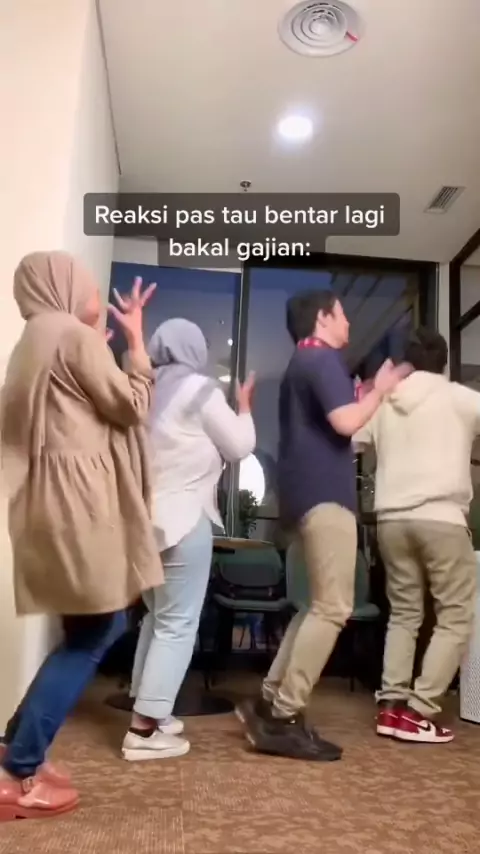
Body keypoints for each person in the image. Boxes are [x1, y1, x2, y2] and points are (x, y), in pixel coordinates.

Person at [0, 252, 163, 821]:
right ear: (61, 287)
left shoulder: (36, 338)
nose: (96, 292)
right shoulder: (72, 336)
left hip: (48, 502)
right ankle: (17, 771)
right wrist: (136, 341)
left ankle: (14, 749)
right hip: (80, 504)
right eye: (88, 283)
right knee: (100, 627)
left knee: (82, 627)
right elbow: (131, 407)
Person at [236, 289, 410, 761]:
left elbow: (331, 424)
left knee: (315, 606)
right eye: (343, 314)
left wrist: (364, 395)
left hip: (304, 497)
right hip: (326, 498)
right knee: (333, 607)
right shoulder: (322, 359)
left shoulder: (303, 363)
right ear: (323, 318)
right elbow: (346, 422)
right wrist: (380, 390)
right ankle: (285, 715)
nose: (349, 323)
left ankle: (270, 701)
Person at [122, 318, 256, 761]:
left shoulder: (146, 390)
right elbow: (239, 447)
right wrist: (244, 407)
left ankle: (150, 711)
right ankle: (144, 731)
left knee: (157, 618)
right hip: (183, 520)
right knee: (177, 624)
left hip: (145, 525)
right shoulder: (199, 389)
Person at [354, 327, 479, 744]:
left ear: (407, 362)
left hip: (391, 521)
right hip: (441, 518)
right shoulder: (458, 397)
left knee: (405, 613)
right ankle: (420, 710)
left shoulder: (387, 400)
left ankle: (391, 705)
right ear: (444, 363)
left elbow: (355, 439)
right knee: (455, 614)